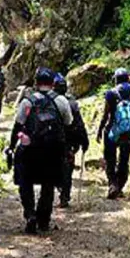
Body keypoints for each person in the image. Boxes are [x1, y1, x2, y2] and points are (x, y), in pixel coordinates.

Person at [6, 68, 73, 234]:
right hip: (53, 150)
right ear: (52, 83)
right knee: (48, 184)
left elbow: (18, 125)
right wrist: (68, 149)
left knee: (25, 181)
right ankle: (43, 220)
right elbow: (68, 125)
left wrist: (12, 146)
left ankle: (30, 214)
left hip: (31, 149)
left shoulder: (27, 102)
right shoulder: (61, 101)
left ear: (36, 83)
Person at [96, 68, 130, 199]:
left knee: (110, 160)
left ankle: (113, 185)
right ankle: (120, 187)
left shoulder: (111, 93)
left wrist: (100, 130)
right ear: (128, 79)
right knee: (124, 160)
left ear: (115, 80)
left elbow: (106, 115)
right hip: (129, 132)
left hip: (112, 132)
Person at [54, 73, 88, 208]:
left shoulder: (49, 101)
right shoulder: (72, 103)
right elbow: (79, 124)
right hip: (69, 143)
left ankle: (60, 189)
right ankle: (65, 195)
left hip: (52, 142)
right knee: (67, 170)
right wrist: (84, 140)